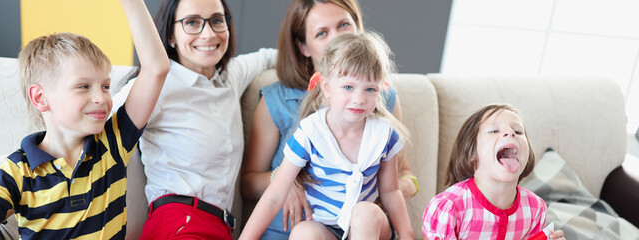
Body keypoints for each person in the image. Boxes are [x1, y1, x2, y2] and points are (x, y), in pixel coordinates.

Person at [0, 0, 169, 239]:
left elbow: (157, 68)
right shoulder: (15, 174)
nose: (101, 98)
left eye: (105, 86)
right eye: (83, 86)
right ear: (40, 98)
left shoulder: (113, 142)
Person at [241, 0, 418, 238]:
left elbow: (393, 187)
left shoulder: (382, 127)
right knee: (304, 232)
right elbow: (271, 194)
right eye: (322, 32)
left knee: (364, 214)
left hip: (366, 225)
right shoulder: (308, 128)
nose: (358, 99)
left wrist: (405, 230)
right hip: (317, 226)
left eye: (343, 25)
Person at [109, 0, 277, 238]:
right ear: (171, 36)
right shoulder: (158, 85)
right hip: (177, 221)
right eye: (192, 23)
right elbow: (102, 123)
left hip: (220, 228)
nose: (208, 34)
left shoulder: (232, 76)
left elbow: (271, 57)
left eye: (217, 20)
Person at [422, 104, 565, 240]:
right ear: (471, 153)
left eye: (518, 131)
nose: (510, 133)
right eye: (494, 131)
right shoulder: (449, 208)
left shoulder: (535, 207)